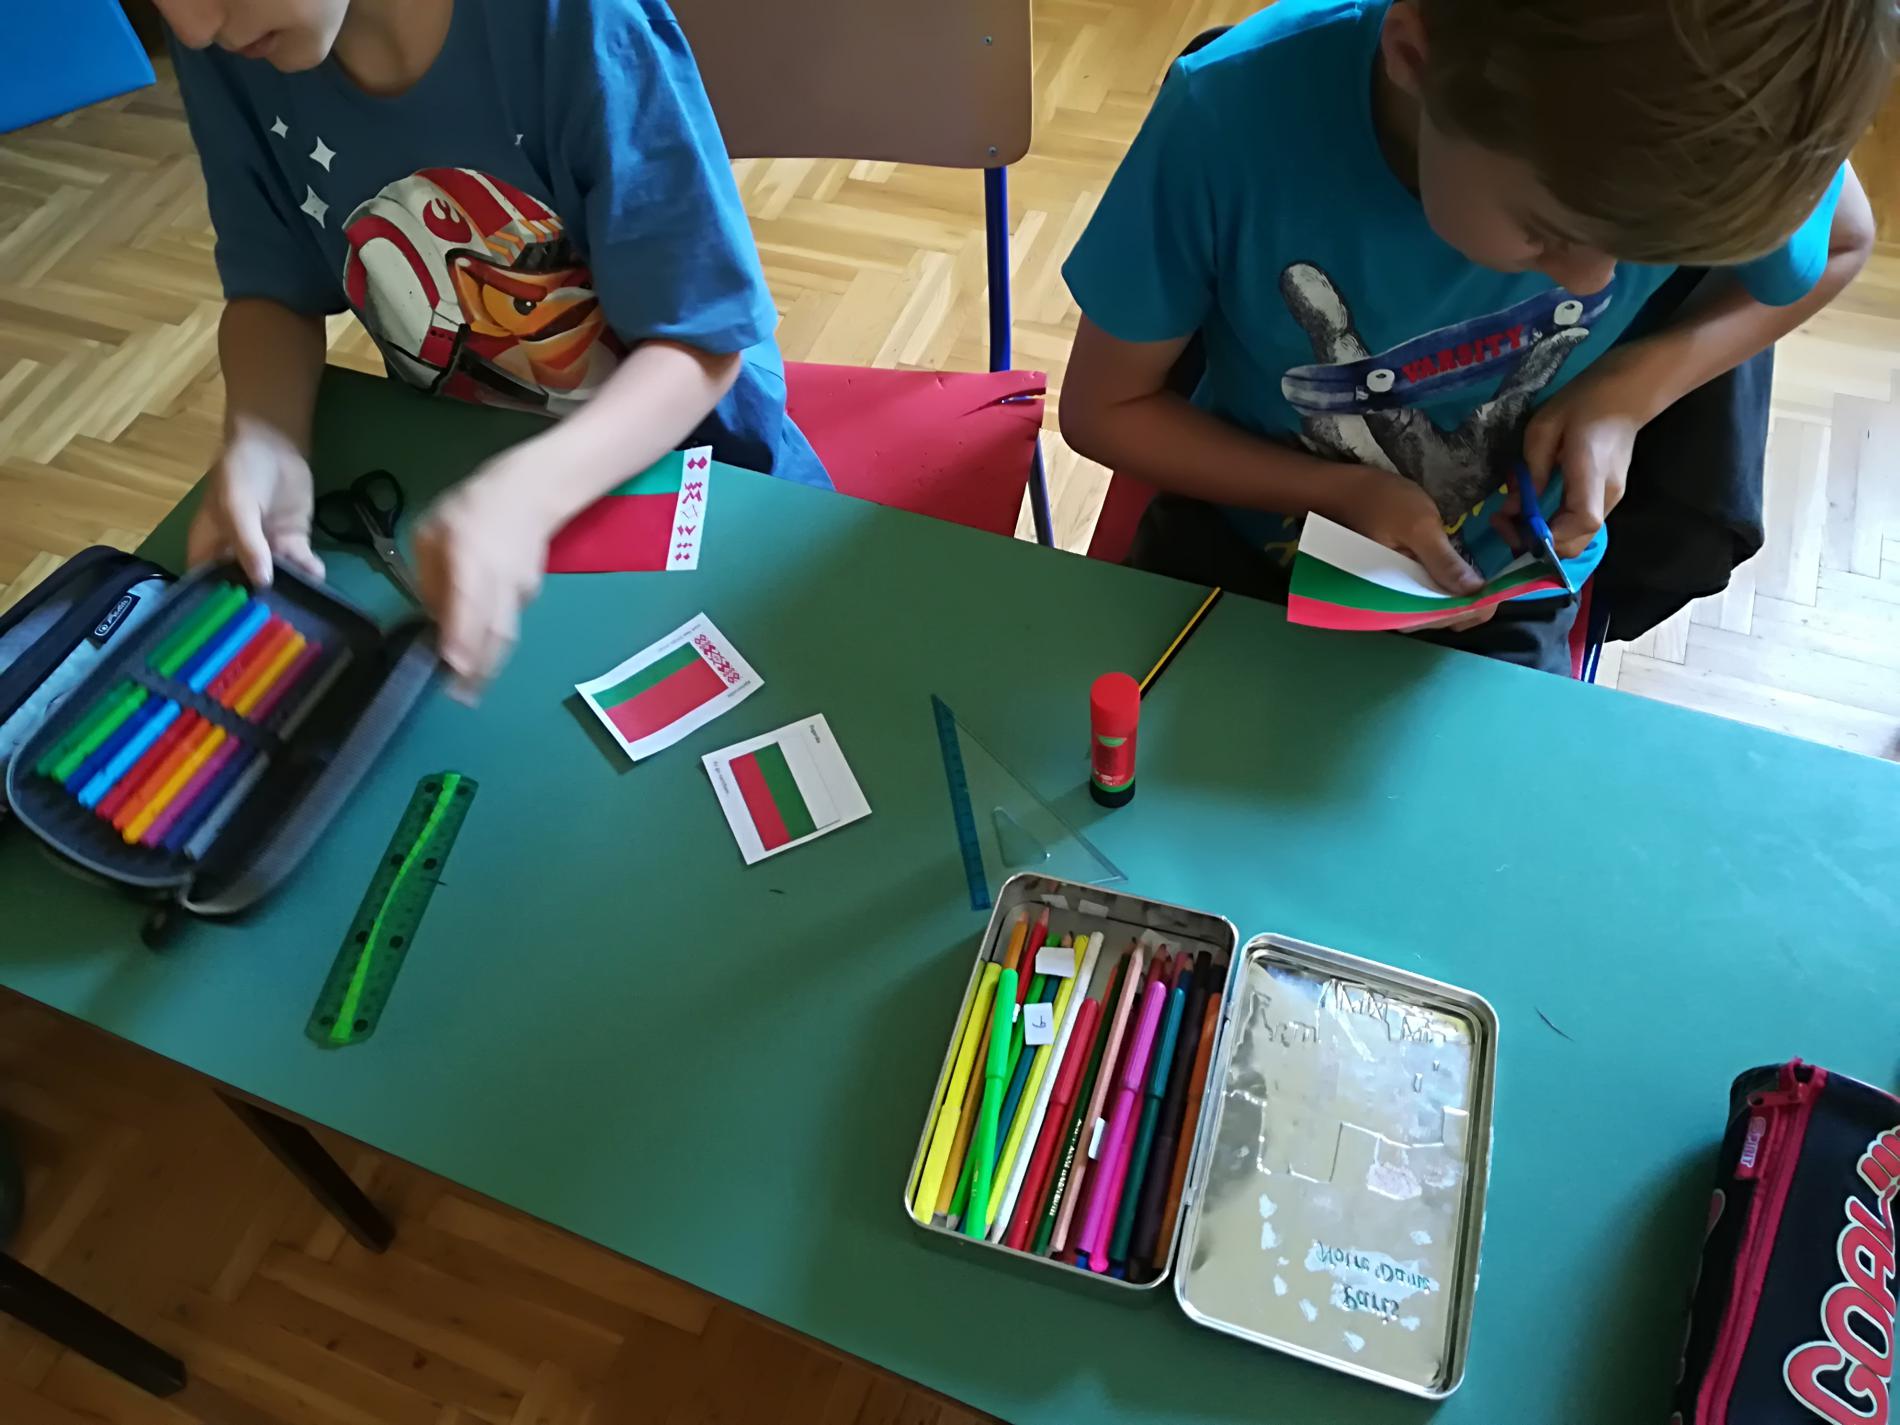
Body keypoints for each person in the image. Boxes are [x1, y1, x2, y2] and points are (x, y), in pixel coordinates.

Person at [1058, 0, 1890, 672]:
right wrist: (1333, 492)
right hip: (1241, 545)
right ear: (1414, 56)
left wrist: (1627, 394)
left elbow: (1844, 241)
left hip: (1504, 592)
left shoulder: (1726, 134)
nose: (1590, 284)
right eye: (1547, 232)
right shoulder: (1228, 118)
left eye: (1649, 254)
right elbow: (1104, 410)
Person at [154, 0, 827, 692]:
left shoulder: (578, 23)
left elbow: (702, 345)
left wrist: (526, 498)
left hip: (710, 484)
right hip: (470, 495)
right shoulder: (236, 41)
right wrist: (263, 436)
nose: (192, 28)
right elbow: (271, 289)